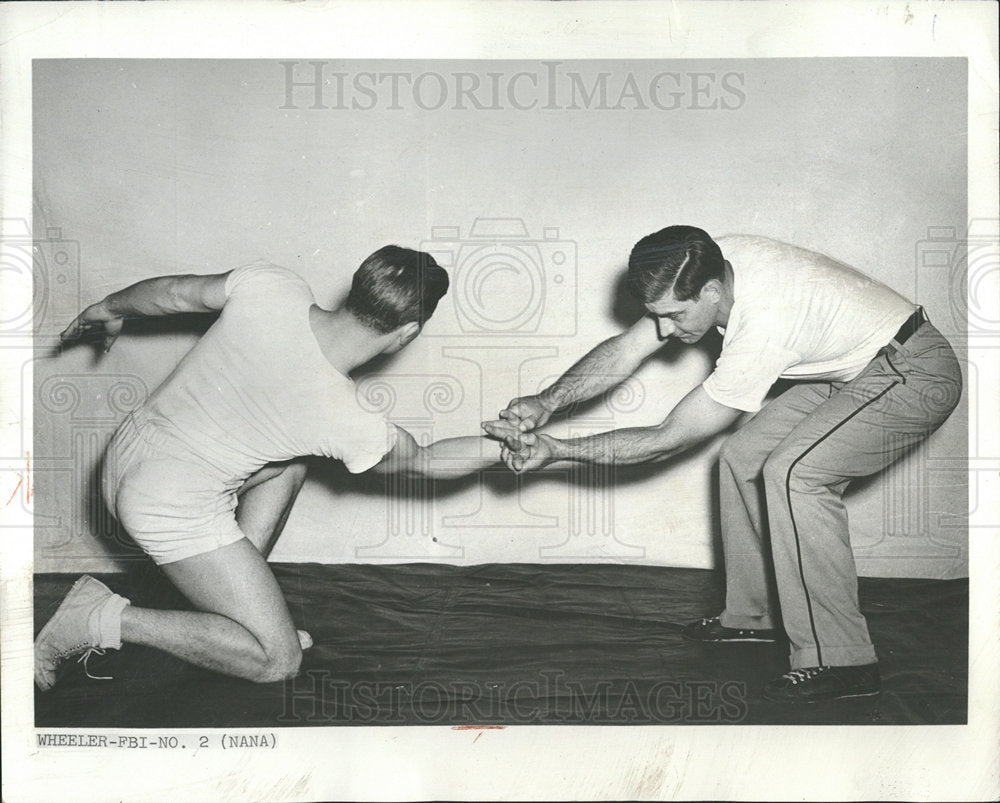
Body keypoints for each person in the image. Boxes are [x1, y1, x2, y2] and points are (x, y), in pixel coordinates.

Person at [484, 225, 961, 703]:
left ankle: (845, 659)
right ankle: (754, 617)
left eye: (674, 316)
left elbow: (667, 439)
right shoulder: (709, 259)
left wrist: (557, 450)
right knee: (743, 456)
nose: (666, 330)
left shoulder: (765, 323)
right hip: (858, 366)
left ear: (712, 291)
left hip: (913, 372)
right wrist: (548, 401)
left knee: (797, 474)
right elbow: (630, 348)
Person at [36, 246, 504, 689]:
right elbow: (424, 461)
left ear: (359, 286)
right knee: (277, 661)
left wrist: (107, 307)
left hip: (124, 457)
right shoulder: (348, 419)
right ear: (407, 333)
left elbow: (173, 293)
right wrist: (505, 448)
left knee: (291, 462)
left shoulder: (273, 286)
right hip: (168, 504)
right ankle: (101, 616)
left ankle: (238, 613)